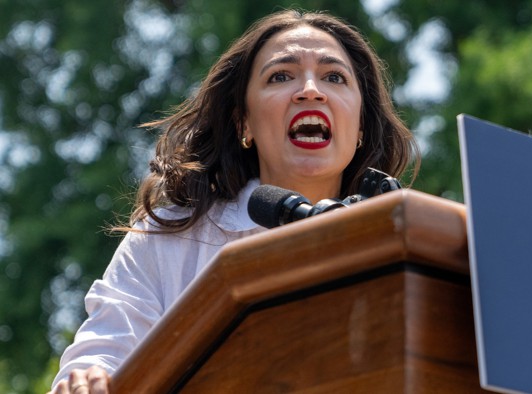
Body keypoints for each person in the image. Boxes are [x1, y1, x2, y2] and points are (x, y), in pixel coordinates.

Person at [50, 9, 418, 393]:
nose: (311, 90)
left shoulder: (406, 244)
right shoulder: (172, 238)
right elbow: (102, 357)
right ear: (244, 122)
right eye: (281, 75)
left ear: (359, 126)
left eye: (334, 77)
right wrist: (90, 379)